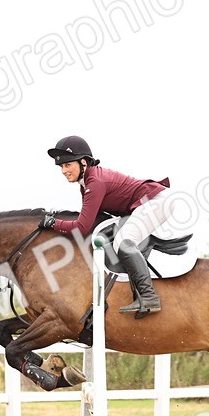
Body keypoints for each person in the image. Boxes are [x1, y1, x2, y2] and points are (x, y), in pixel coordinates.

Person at [41, 135, 174, 318]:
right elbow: (91, 221)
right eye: (61, 167)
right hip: (144, 205)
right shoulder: (87, 183)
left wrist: (54, 223)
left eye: (67, 165)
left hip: (155, 202)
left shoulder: (94, 183)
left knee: (123, 242)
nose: (64, 170)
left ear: (83, 162)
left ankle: (149, 296)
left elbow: (81, 227)